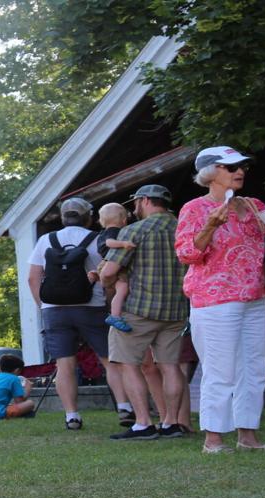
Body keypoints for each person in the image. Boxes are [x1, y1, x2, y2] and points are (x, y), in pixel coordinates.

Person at [175, 146, 265, 453]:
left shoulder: (254, 204)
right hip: (214, 299)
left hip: (254, 296)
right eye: (230, 166)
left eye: (242, 166)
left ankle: (247, 436)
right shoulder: (194, 209)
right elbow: (186, 254)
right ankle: (213, 439)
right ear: (210, 173)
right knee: (220, 370)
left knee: (254, 368)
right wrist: (211, 225)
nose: (240, 171)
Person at [100, 184, 191, 441]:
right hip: (175, 310)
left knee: (129, 365)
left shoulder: (134, 231)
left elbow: (108, 272)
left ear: (145, 201)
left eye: (136, 203)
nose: (135, 208)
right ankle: (171, 422)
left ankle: (143, 423)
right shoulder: (182, 228)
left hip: (137, 311)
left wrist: (108, 284)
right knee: (171, 367)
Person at [28, 198, 121, 430]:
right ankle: (125, 407)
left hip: (55, 310)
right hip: (91, 306)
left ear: (62, 216)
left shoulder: (45, 240)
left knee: (65, 363)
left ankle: (72, 415)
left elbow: (32, 278)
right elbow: (109, 275)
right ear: (89, 217)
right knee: (109, 360)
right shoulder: (98, 239)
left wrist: (43, 306)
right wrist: (110, 302)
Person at [97, 202, 138, 333]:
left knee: (120, 289)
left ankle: (115, 314)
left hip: (105, 263)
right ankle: (114, 316)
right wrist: (123, 243)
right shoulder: (113, 231)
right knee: (123, 288)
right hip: (110, 263)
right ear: (124, 220)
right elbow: (109, 243)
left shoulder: (103, 232)